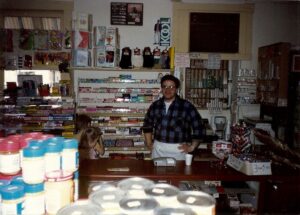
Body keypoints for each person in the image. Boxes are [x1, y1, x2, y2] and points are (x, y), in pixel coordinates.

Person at [142, 74, 204, 160]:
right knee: (157, 173)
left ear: (176, 89)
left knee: (179, 173)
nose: (168, 90)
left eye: (171, 86)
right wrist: (149, 143)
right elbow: (147, 125)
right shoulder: (155, 105)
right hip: (158, 150)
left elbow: (199, 127)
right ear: (161, 89)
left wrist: (192, 147)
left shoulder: (186, 106)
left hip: (179, 151)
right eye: (165, 86)